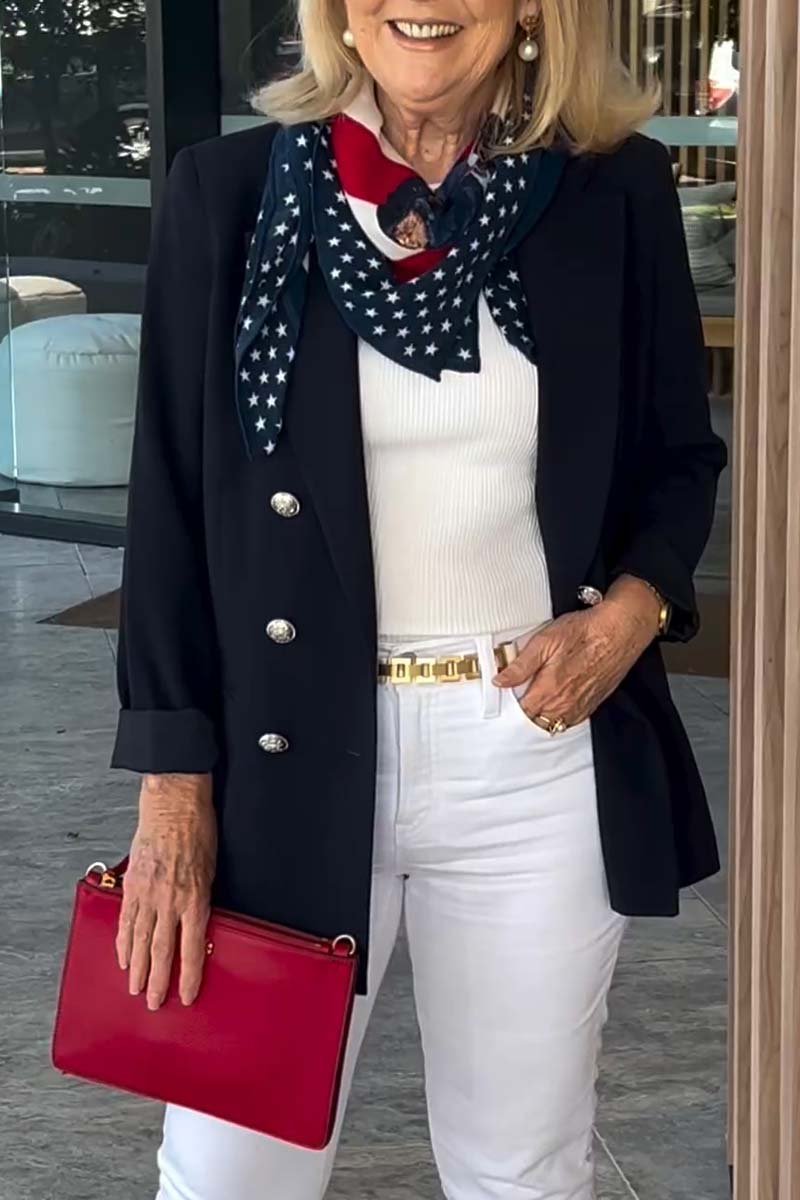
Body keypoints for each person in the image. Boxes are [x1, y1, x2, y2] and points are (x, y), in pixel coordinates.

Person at [110, 1, 728, 1197]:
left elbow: (675, 456)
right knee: (231, 1175)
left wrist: (630, 614)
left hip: (530, 753)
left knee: (520, 1172)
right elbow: (171, 510)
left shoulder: (609, 192)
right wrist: (173, 793)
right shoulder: (228, 193)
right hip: (280, 753)